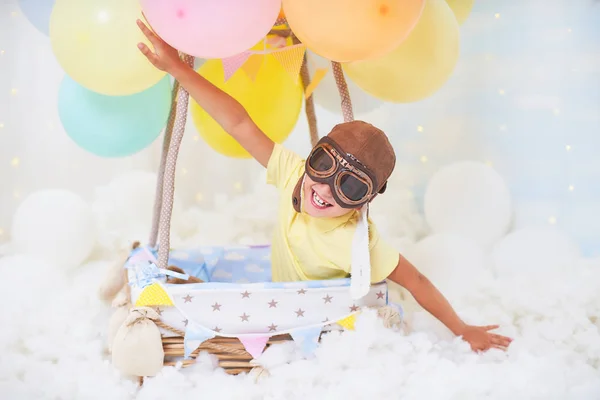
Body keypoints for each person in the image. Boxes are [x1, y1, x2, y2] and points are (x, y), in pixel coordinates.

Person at [135, 19, 513, 353]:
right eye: (324, 165)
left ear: (366, 200)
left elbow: (417, 280)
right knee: (185, 285)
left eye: (350, 186)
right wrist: (179, 71)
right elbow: (239, 123)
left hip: (306, 321)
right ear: (313, 155)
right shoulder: (294, 174)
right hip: (275, 290)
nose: (326, 189)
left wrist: (462, 329)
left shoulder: (356, 243)